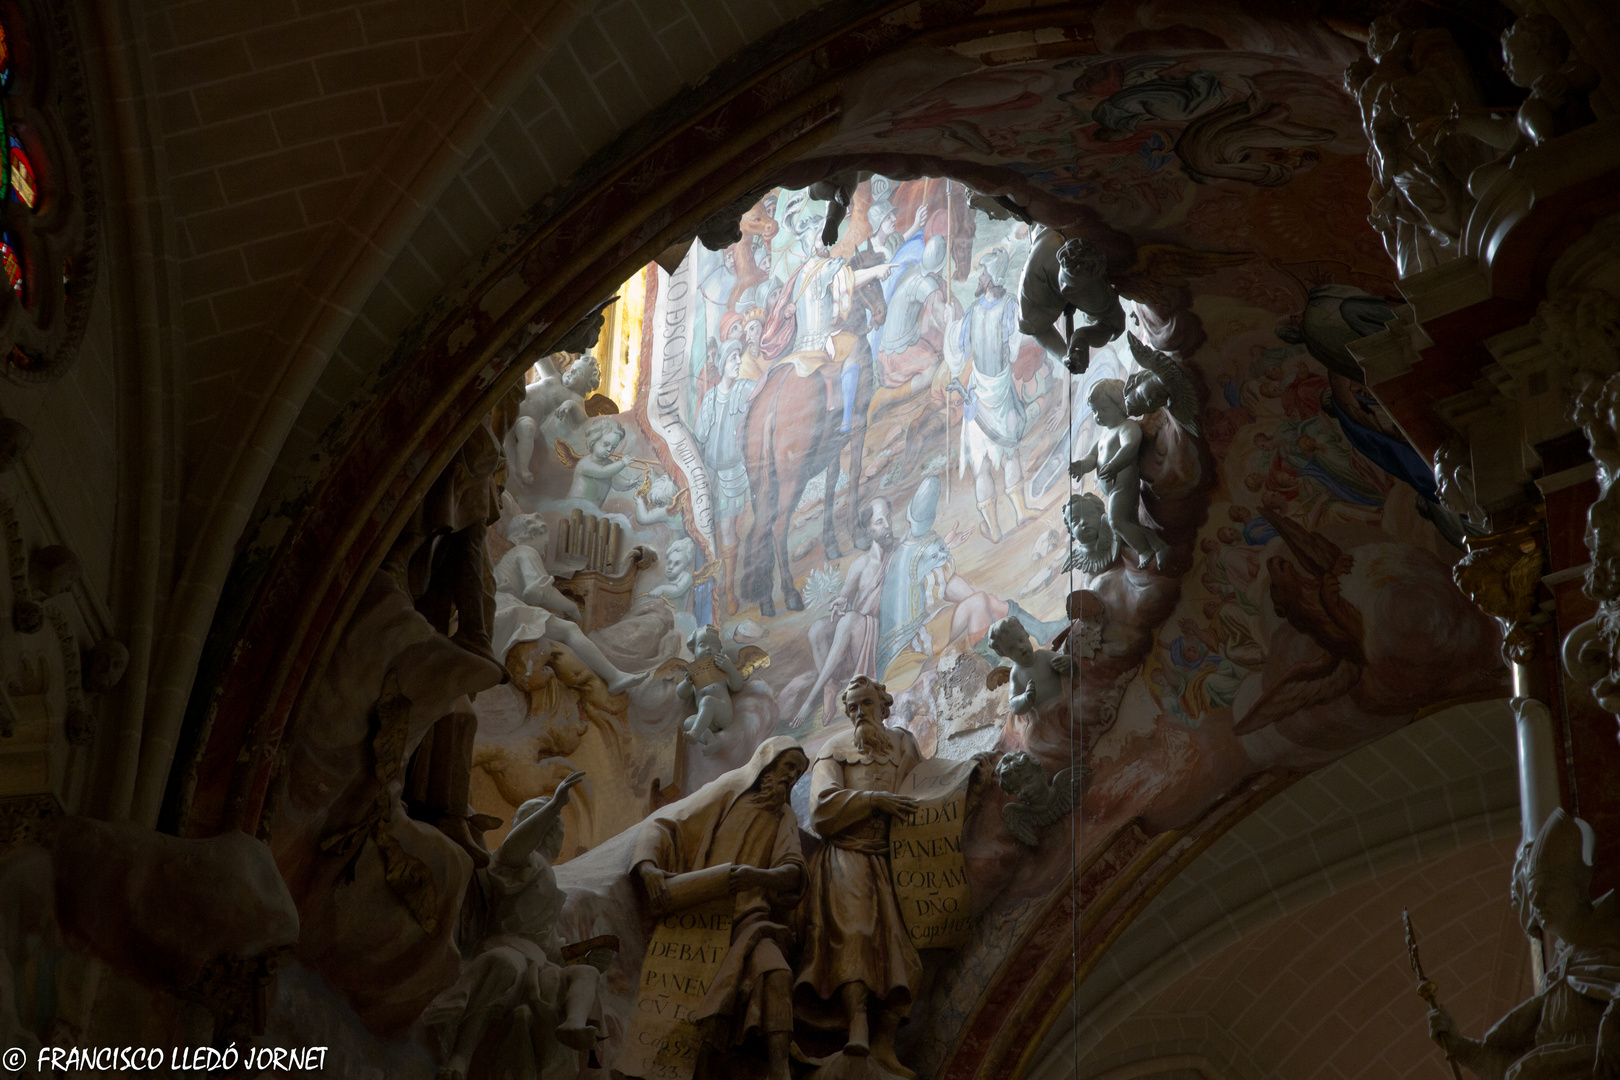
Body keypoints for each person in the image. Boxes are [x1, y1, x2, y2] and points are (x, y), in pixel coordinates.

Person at [633, 738, 810, 1080]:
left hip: (750, 920)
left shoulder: (783, 814)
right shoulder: (728, 790)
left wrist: (756, 876)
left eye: (799, 772)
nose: (792, 776)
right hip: (698, 918)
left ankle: (780, 1072)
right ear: (767, 762)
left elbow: (794, 872)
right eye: (788, 766)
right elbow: (664, 823)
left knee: (777, 973)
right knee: (692, 1022)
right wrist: (647, 867)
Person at [423, 771, 606, 1080]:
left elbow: (550, 945)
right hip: (506, 948)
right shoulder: (518, 862)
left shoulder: (547, 878)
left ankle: (572, 1025)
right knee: (505, 966)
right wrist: (554, 805)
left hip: (540, 962)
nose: (559, 831)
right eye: (554, 825)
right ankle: (460, 1057)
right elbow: (514, 847)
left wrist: (586, 957)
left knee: (585, 974)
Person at [795, 675, 922, 1080]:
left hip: (897, 860)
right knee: (855, 935)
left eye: (865, 704)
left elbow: (928, 788)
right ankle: (857, 1025)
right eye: (851, 707)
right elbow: (821, 808)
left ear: (884, 707)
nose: (858, 713)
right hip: (847, 857)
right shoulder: (834, 749)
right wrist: (872, 800)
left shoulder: (904, 744)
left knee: (902, 951)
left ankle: (885, 1042)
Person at [492, 512, 645, 695]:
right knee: (569, 629)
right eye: (545, 544)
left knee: (558, 628)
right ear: (531, 534)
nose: (544, 552)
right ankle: (615, 677)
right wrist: (571, 606)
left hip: (501, 606)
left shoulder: (510, 557)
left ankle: (614, 676)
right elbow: (537, 592)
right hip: (505, 608)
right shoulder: (525, 551)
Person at [793, 498, 897, 727]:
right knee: (818, 629)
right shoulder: (860, 564)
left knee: (850, 619)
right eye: (880, 522)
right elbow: (846, 596)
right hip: (857, 633)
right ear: (870, 529)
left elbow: (921, 549)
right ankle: (829, 687)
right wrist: (839, 602)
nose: (888, 526)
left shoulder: (900, 551)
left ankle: (812, 698)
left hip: (882, 633)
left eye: (888, 518)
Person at [957, 247, 1033, 542]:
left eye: (983, 271)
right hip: (997, 389)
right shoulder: (1008, 306)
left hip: (980, 390)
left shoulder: (974, 310)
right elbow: (1012, 349)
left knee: (983, 463)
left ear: (991, 277)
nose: (979, 275)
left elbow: (961, 351)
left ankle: (995, 526)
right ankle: (1018, 511)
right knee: (1007, 452)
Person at [1070, 379, 1171, 568]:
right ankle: (1159, 546)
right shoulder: (1104, 436)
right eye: (1095, 412)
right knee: (1130, 523)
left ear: (1120, 407)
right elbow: (1092, 457)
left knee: (1116, 521)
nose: (1098, 416)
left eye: (1104, 410)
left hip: (1124, 486)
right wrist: (1081, 466)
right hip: (1114, 489)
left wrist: (1115, 465)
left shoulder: (1127, 427)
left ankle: (1144, 550)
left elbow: (1130, 446)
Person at [694, 340, 754, 614]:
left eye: (739, 357)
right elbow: (700, 437)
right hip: (711, 474)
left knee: (729, 530)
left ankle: (729, 588)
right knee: (711, 532)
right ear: (722, 364)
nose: (738, 363)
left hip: (732, 472)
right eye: (733, 358)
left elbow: (761, 390)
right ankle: (713, 584)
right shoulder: (709, 397)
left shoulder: (744, 390)